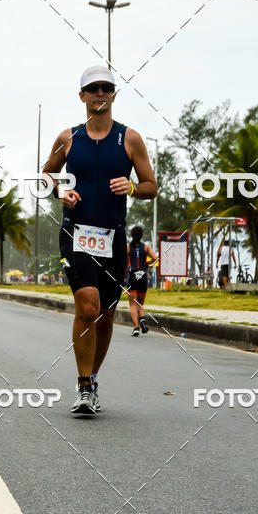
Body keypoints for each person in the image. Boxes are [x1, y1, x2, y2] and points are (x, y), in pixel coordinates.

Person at [42, 65, 157, 414]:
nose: (100, 94)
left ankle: (92, 379)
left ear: (114, 95)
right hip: (76, 234)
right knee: (88, 306)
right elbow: (45, 176)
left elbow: (151, 186)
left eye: (106, 88)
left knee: (106, 314)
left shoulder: (129, 138)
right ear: (82, 96)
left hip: (113, 239)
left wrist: (133, 187)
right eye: (93, 89)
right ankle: (84, 384)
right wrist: (61, 191)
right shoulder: (68, 138)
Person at [126, 225, 157, 336]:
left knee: (132, 304)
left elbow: (123, 260)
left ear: (132, 235)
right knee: (140, 302)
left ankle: (136, 327)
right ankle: (142, 318)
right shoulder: (146, 247)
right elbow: (155, 258)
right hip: (143, 276)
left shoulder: (128, 247)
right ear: (142, 235)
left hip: (132, 276)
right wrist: (147, 263)